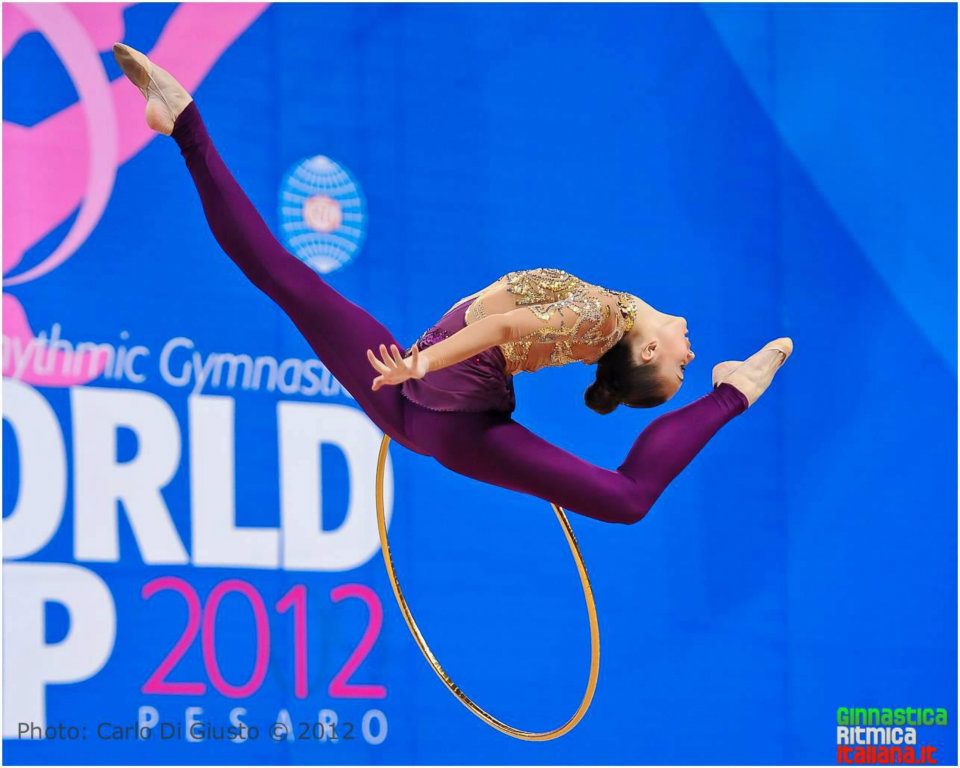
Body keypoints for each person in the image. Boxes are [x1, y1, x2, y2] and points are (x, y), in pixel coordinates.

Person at [112, 42, 793, 526]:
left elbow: (499, 328)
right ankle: (182, 120)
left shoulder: (602, 319)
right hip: (415, 407)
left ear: (643, 351)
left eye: (682, 365)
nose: (688, 349)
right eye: (688, 364)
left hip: (434, 402)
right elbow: (502, 327)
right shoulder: (601, 315)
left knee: (628, 499)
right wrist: (420, 368)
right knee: (282, 277)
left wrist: (422, 363)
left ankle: (732, 392)